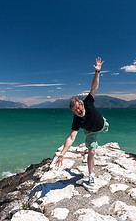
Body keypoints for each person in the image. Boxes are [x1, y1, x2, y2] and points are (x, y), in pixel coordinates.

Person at [54, 57, 109, 185]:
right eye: (75, 111)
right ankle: (90, 175)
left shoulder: (88, 102)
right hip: (91, 132)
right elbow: (72, 137)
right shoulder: (76, 120)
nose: (78, 111)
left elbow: (94, 88)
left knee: (106, 126)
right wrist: (62, 153)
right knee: (91, 151)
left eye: (78, 108)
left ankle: (105, 126)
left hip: (102, 123)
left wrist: (97, 72)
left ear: (81, 104)